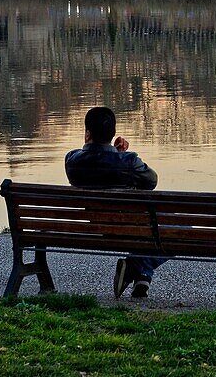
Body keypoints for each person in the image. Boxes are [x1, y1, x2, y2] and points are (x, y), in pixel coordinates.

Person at [65, 106, 164, 299]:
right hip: (129, 225)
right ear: (112, 134)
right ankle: (136, 266)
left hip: (93, 227)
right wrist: (121, 154)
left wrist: (115, 154)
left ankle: (143, 277)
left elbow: (95, 161)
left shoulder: (71, 161)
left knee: (148, 228)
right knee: (178, 229)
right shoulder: (128, 162)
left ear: (87, 134)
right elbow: (151, 181)